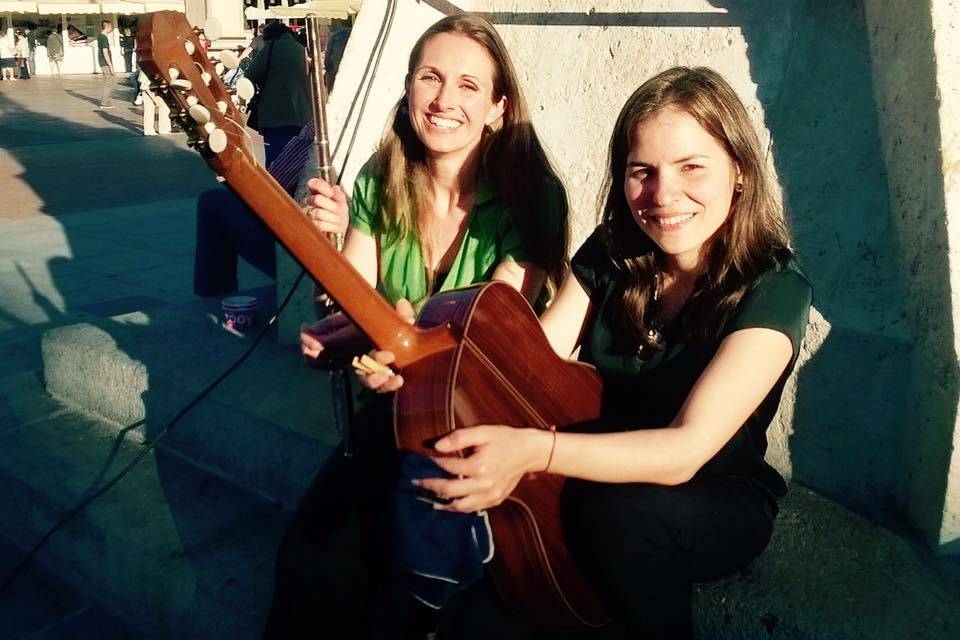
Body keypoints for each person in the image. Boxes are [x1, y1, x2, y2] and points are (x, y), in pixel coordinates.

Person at [359, 66, 813, 640]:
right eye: (640, 172)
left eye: (691, 167)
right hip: (592, 462)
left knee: (622, 516)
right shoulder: (613, 251)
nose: (663, 195)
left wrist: (533, 450)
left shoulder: (774, 287)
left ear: (740, 172)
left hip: (710, 494)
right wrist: (420, 363)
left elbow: (684, 451)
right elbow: (530, 366)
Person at [264, 14, 570, 640]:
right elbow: (350, 307)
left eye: (467, 85)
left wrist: (397, 345)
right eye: (429, 78)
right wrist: (344, 333)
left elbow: (489, 337)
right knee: (311, 557)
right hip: (398, 407)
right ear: (407, 90)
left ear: (497, 108)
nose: (444, 99)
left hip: (483, 413)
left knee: (409, 575)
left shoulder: (531, 197)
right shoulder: (379, 180)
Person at [243, 22, 311, 169]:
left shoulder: (272, 48)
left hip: (275, 115)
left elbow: (249, 75)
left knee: (275, 161)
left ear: (271, 36)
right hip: (301, 115)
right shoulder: (302, 50)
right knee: (296, 162)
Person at [96, 21, 115, 109]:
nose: (111, 29)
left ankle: (105, 100)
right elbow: (105, 52)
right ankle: (104, 102)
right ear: (107, 27)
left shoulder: (100, 36)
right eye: (111, 27)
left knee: (109, 81)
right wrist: (110, 66)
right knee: (109, 82)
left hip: (102, 62)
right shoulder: (104, 38)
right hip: (105, 62)